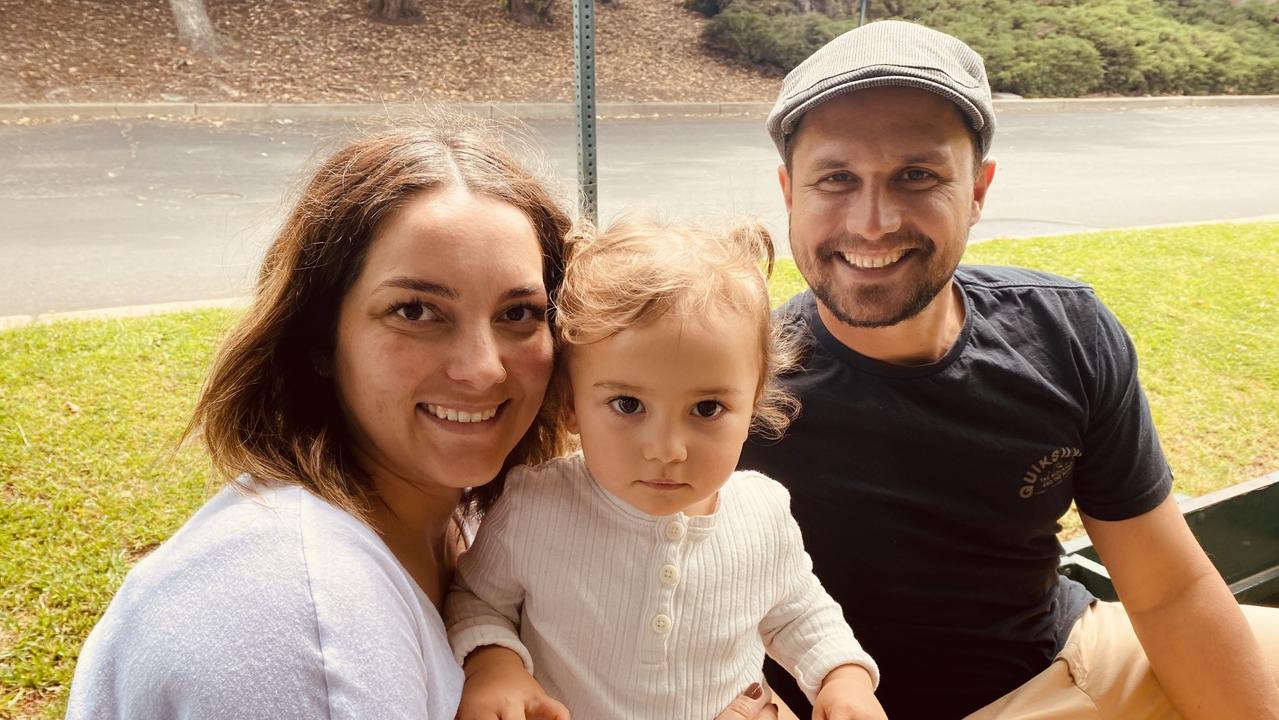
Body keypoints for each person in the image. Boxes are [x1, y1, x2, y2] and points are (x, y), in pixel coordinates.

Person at [65, 112, 788, 720]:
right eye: (415, 311)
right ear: (320, 337)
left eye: (519, 313)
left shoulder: (471, 523)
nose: (481, 367)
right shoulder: (294, 621)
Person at [738, 19, 1279, 720]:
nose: (872, 222)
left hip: (1074, 658)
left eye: (917, 175)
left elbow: (1167, 590)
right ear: (789, 193)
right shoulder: (731, 385)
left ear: (977, 189)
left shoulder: (1064, 333)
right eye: (836, 178)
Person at [445, 219, 885, 720]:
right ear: (569, 403)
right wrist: (494, 665)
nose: (668, 449)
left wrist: (843, 678)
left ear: (753, 405)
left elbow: (798, 612)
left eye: (707, 409)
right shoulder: (535, 506)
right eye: (628, 405)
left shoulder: (763, 514)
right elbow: (477, 600)